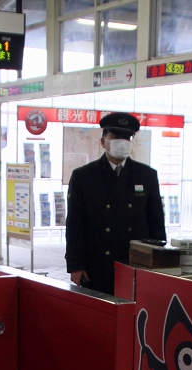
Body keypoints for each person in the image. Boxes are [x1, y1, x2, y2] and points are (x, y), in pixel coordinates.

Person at [65, 112, 166, 295]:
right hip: (97, 262)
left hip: (135, 262)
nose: (122, 141)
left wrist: (159, 261)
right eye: (115, 136)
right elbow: (74, 224)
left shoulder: (146, 175)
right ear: (103, 142)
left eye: (127, 137)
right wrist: (75, 265)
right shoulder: (84, 176)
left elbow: (156, 222)